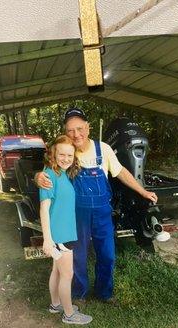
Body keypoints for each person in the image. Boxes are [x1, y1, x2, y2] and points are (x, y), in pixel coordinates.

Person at [36, 108, 158, 301]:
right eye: (70, 131)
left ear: (88, 127)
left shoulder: (104, 149)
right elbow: (49, 171)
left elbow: (121, 172)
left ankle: (104, 293)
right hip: (76, 216)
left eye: (79, 128)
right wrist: (39, 177)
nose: (76, 134)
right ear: (65, 133)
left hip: (102, 214)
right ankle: (79, 293)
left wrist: (143, 191)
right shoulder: (67, 152)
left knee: (107, 256)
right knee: (78, 257)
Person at [39, 134, 92, 324]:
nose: (66, 159)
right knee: (67, 275)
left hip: (63, 234)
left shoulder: (61, 174)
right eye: (61, 154)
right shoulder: (48, 176)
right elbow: (44, 209)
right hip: (59, 236)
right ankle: (69, 314)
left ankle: (56, 305)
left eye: (70, 155)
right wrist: (47, 239)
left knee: (57, 271)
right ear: (53, 154)